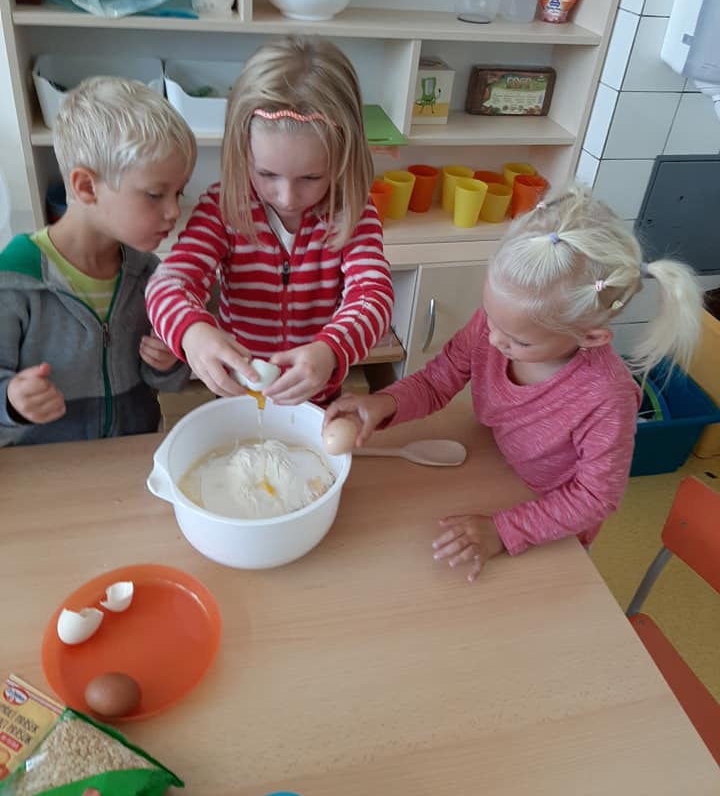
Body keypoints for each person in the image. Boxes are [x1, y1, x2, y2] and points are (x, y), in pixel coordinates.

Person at [325, 184, 703, 580]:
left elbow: (596, 496)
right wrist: (384, 403)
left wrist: (503, 530)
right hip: (500, 468)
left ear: (590, 337)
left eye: (518, 341)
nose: (492, 339)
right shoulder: (499, 327)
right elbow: (438, 381)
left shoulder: (607, 397)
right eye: (490, 317)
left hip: (552, 519)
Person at [146, 36, 394, 406]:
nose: (287, 197)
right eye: (267, 174)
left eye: (311, 177)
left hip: (314, 395)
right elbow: (169, 284)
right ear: (242, 152)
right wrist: (191, 332)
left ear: (343, 157)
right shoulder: (224, 208)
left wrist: (331, 350)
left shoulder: (352, 212)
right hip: (238, 396)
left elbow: (373, 296)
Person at [0, 77, 197, 447]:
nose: (174, 211)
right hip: (43, 466)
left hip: (129, 455)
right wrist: (11, 402)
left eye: (178, 193)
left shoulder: (150, 276)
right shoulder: (14, 281)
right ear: (86, 187)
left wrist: (169, 362)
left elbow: (168, 381)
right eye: (155, 194)